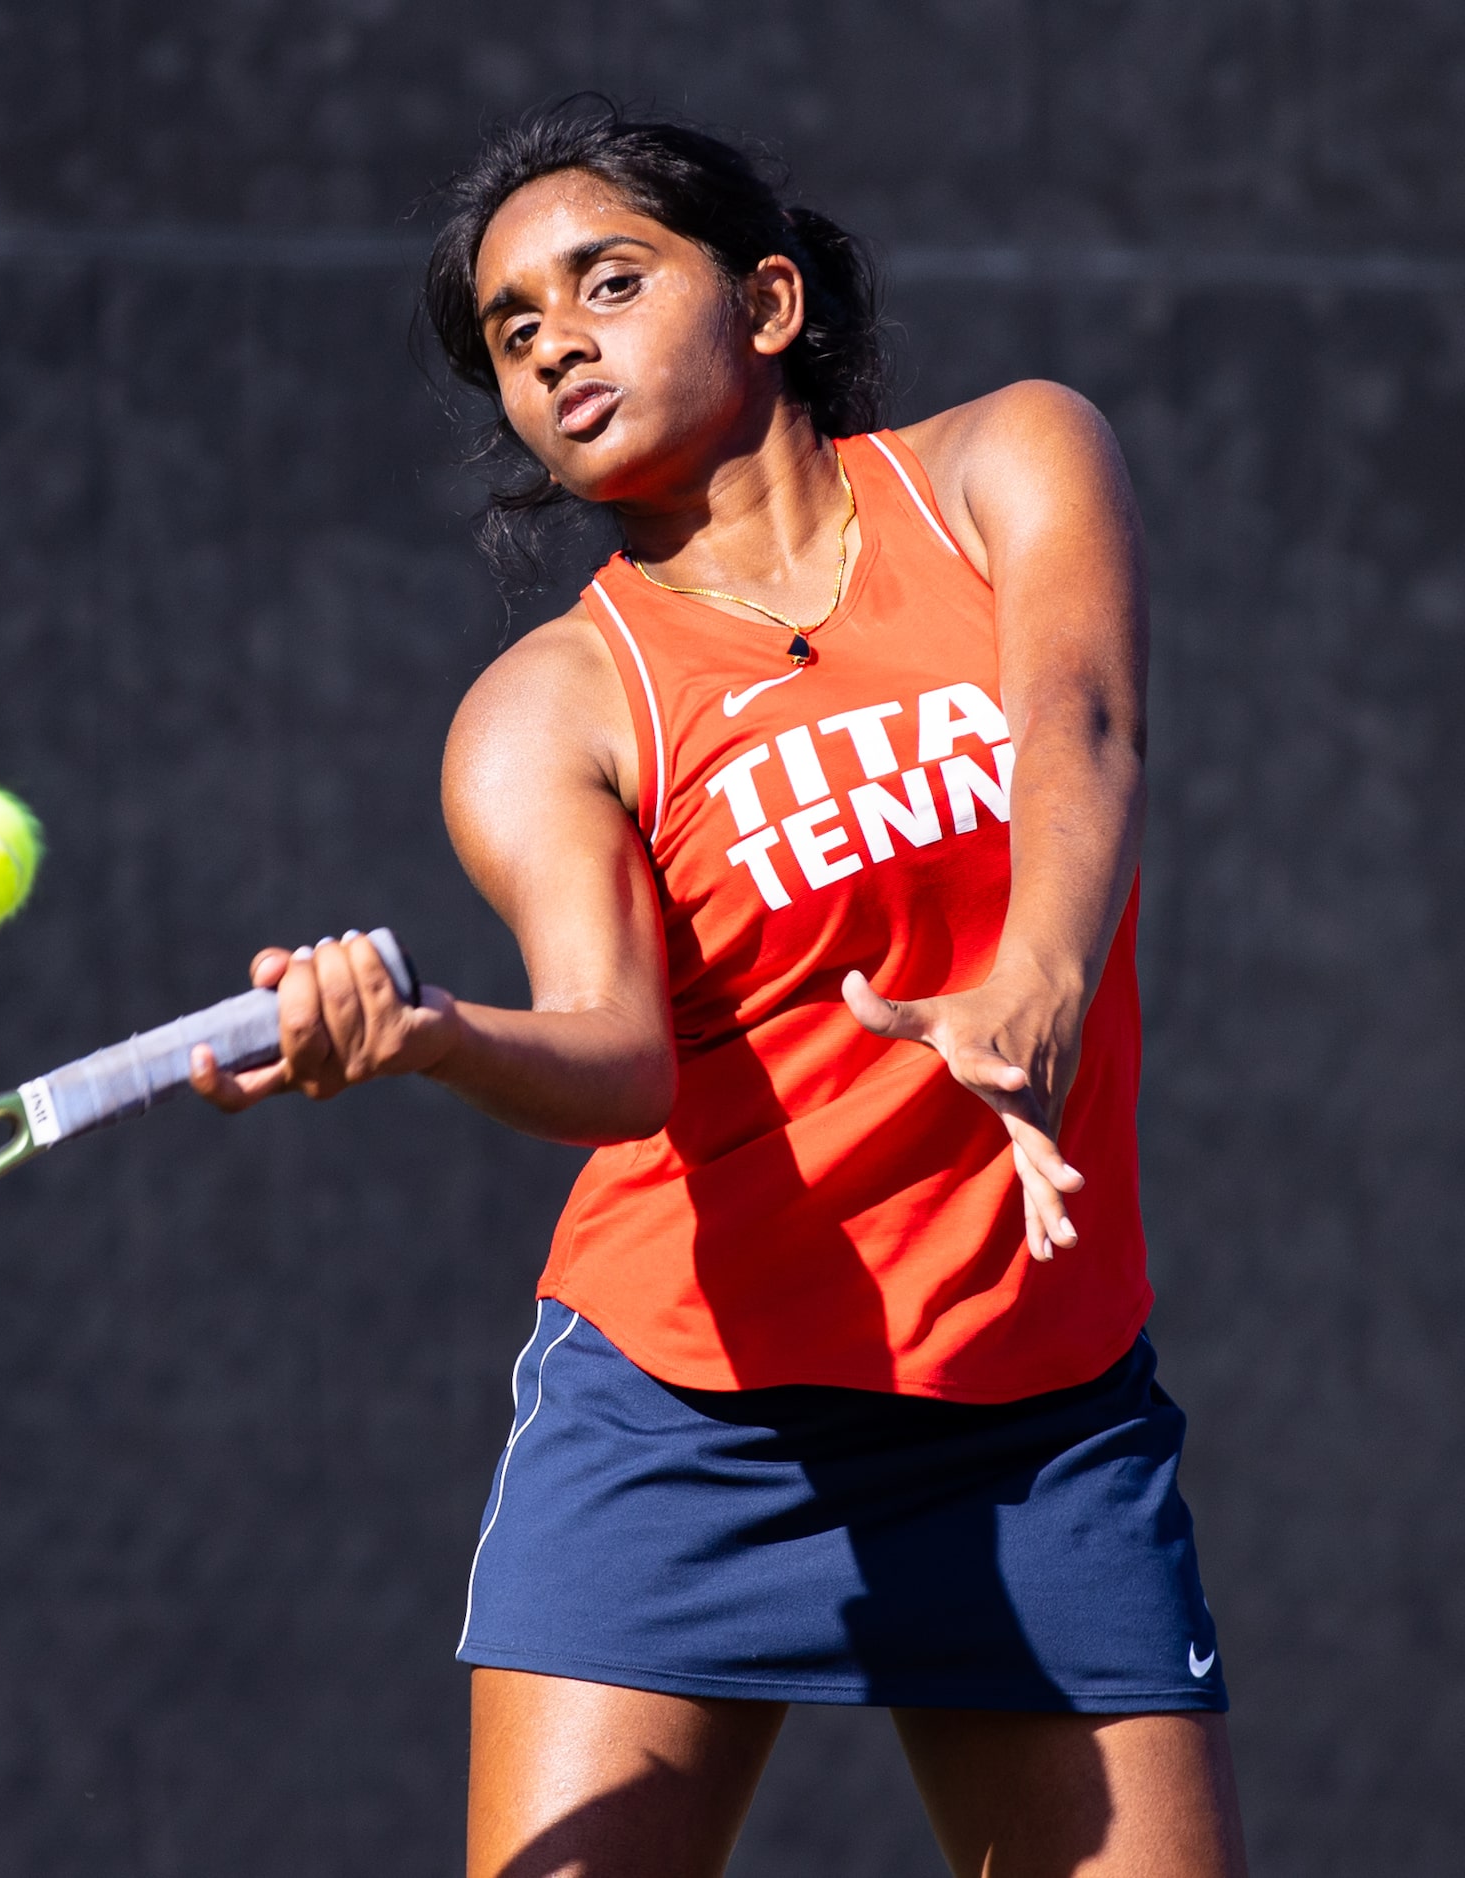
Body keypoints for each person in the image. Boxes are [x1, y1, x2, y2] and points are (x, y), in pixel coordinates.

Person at [187, 104, 1249, 1878]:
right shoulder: (549, 711)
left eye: (607, 281)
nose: (557, 347)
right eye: (515, 336)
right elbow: (617, 1056)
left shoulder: (1007, 468)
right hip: (690, 1415)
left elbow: (1082, 719)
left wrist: (1035, 980)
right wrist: (431, 1032)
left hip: (1038, 1413)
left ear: (765, 303)